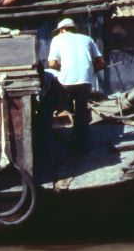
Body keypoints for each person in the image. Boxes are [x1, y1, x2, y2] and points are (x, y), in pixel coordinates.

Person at [45, 17, 105, 151]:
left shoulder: (57, 39)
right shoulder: (87, 39)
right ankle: (80, 145)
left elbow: (52, 64)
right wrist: (90, 69)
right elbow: (101, 62)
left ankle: (46, 138)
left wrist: (63, 67)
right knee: (81, 111)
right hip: (85, 81)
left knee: (50, 105)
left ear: (62, 30)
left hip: (66, 81)